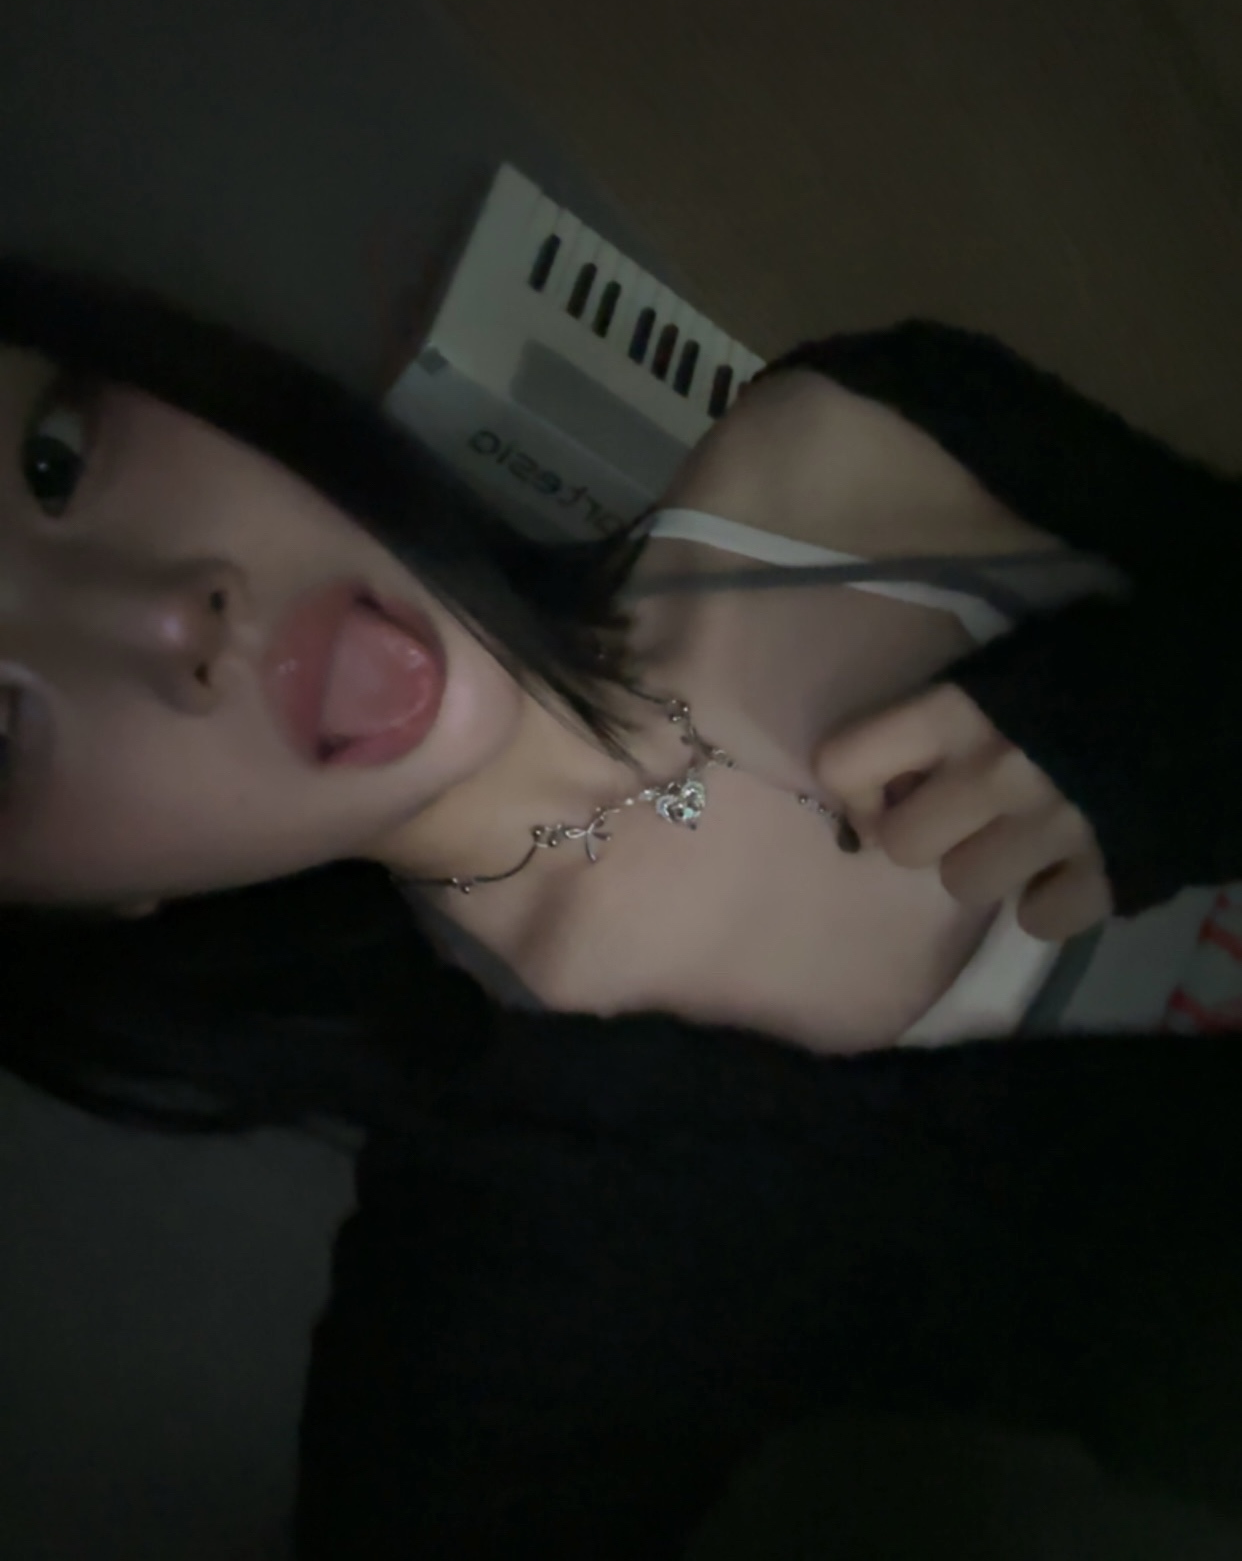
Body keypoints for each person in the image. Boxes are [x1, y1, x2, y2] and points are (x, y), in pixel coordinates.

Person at [2, 257, 1241, 1553]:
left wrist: (1165, 727)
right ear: (87, 908)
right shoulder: (523, 1243)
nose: (171, 618)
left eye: (51, 465)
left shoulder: (856, 441)